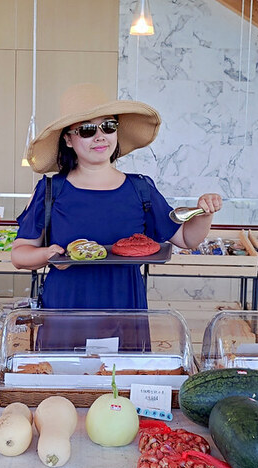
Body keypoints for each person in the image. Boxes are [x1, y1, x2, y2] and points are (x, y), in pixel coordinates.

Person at [11, 83, 222, 349]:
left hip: (126, 312)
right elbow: (19, 254)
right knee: (66, 385)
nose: (100, 136)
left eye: (108, 126)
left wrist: (204, 211)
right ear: (68, 139)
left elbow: (186, 238)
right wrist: (47, 254)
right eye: (87, 130)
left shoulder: (140, 189)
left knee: (120, 384)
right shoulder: (51, 189)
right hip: (65, 312)